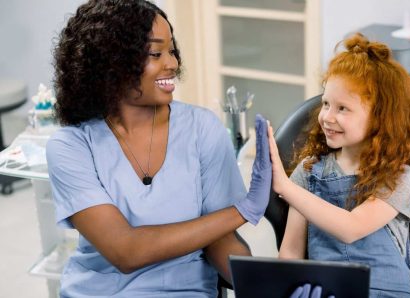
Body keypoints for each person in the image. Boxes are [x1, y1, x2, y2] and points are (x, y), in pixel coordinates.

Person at [47, 0, 271, 296]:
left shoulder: (202, 129)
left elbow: (219, 241)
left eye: (172, 50)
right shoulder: (71, 146)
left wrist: (272, 287)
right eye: (156, 53)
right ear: (111, 62)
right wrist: (243, 210)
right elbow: (125, 251)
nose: (173, 63)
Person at [267, 33, 410, 298]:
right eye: (325, 103)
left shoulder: (398, 176)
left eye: (342, 108)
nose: (327, 117)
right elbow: (290, 253)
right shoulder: (308, 173)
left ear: (381, 118)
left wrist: (286, 189)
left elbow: (351, 228)